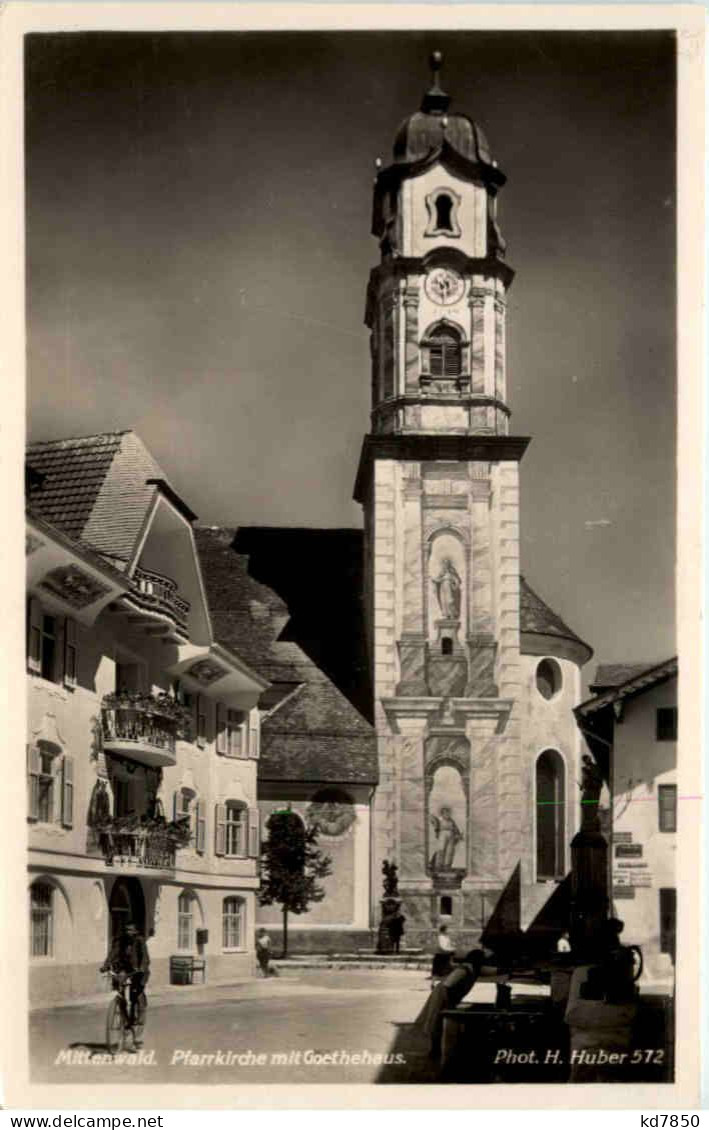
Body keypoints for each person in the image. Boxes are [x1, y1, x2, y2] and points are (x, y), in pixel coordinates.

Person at [100, 922, 150, 1046]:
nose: (128, 932)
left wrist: (142, 967)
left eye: (131, 930)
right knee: (119, 986)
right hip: (124, 969)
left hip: (138, 970)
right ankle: (122, 1012)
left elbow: (145, 957)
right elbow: (113, 954)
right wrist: (105, 965)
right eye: (127, 930)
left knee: (135, 994)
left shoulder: (139, 941)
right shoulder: (120, 941)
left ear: (135, 932)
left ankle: (137, 1018)